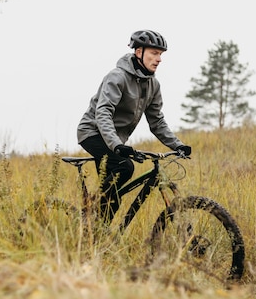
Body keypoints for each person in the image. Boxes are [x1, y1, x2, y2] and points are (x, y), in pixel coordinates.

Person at [77, 29, 192, 223]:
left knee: (113, 197)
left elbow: (156, 121)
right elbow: (103, 113)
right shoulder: (117, 77)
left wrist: (177, 145)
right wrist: (117, 146)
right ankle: (91, 218)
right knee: (125, 167)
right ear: (139, 52)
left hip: (114, 141)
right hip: (93, 133)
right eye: (154, 53)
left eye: (161, 55)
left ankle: (94, 234)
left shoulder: (153, 86)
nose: (159, 59)